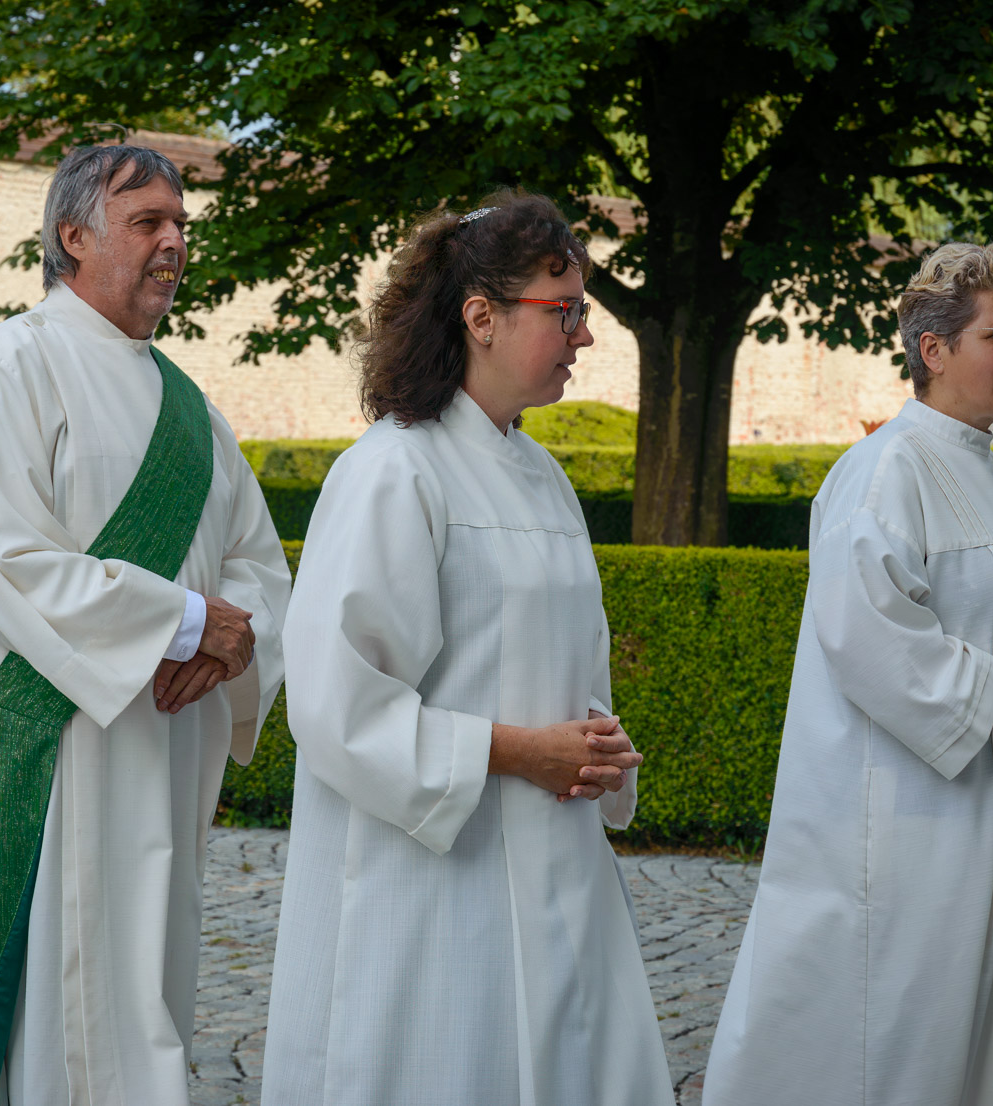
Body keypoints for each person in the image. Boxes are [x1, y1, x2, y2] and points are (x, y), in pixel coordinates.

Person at [260, 193, 675, 1105]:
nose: (584, 337)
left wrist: (593, 743)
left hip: (556, 859)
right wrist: (520, 750)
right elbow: (335, 704)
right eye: (562, 311)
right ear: (480, 318)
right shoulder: (392, 471)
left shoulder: (543, 475)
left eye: (583, 313)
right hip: (433, 875)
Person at [0, 143, 291, 1105]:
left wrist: (228, 641)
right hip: (51, 751)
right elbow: (3, 561)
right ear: (73, 237)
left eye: (180, 224)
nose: (173, 242)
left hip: (159, 750)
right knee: (37, 1015)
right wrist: (189, 620)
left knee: (143, 989)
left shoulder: (191, 410)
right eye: (147, 221)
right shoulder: (2, 367)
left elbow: (259, 563)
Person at [701, 241, 993, 1106]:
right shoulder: (883, 472)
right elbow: (864, 635)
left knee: (992, 1021)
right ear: (934, 350)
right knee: (901, 1032)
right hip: (919, 820)